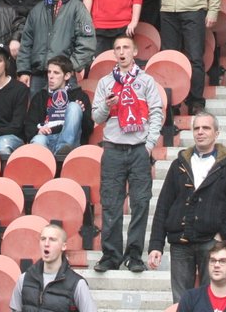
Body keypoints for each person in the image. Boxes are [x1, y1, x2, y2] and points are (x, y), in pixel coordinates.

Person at [148, 113, 226, 300]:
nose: (200, 132)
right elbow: (163, 206)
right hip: (179, 243)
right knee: (181, 301)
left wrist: (221, 235)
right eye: (196, 128)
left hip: (211, 244)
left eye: (206, 128)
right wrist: (156, 245)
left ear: (216, 133)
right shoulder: (178, 164)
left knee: (210, 300)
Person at [92, 37, 164, 273]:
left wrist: (150, 143)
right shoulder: (105, 83)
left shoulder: (146, 81)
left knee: (140, 203)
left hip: (138, 149)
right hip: (112, 148)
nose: (122, 52)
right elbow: (97, 117)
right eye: (117, 49)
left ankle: (134, 255)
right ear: (113, 53)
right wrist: (106, 104)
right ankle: (111, 256)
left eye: (126, 48)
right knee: (111, 204)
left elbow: (156, 111)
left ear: (134, 51)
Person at [17, 0, 95, 83]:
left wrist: (69, 66)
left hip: (64, 76)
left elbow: (87, 41)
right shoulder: (37, 10)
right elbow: (26, 43)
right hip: (38, 75)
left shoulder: (77, 8)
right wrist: (24, 71)